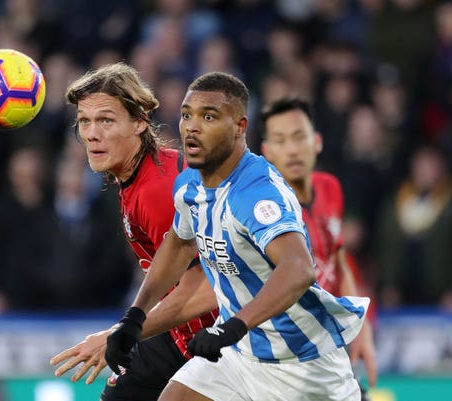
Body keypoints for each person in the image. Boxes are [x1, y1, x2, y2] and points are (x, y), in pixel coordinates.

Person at [105, 72, 369, 401]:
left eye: (209, 116)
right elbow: (179, 244)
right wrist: (135, 317)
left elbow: (299, 269)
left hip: (303, 366)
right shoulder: (189, 185)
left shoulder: (257, 193)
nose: (192, 127)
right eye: (187, 115)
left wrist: (232, 327)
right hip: (238, 357)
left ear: (240, 127)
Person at [49, 62, 218, 400]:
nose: (92, 134)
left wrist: (121, 333)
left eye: (106, 120)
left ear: (140, 121)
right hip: (179, 334)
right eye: (85, 121)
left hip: (223, 342)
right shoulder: (138, 178)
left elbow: (211, 288)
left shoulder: (158, 192)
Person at [259, 97, 378, 395]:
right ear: (267, 151)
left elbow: (339, 262)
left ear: (317, 142)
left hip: (330, 346)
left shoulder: (329, 188)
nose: (293, 149)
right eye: (281, 140)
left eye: (299, 137)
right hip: (285, 355)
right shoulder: (264, 210)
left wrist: (361, 330)